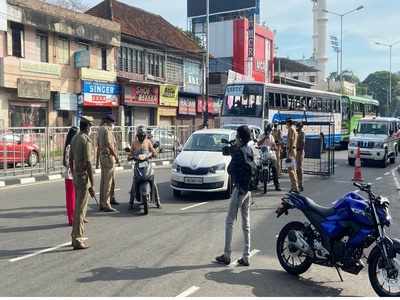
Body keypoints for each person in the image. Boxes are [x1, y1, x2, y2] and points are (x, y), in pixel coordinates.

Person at [216, 125, 255, 267]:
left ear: (240, 138)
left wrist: (234, 153)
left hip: (239, 190)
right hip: (248, 190)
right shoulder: (249, 149)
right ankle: (246, 256)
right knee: (246, 224)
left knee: (229, 221)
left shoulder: (238, 152)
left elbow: (229, 169)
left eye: (237, 137)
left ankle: (227, 255)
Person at [69, 116, 95, 250]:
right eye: (91, 127)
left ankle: (75, 236)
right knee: (80, 209)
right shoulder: (85, 140)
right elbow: (89, 163)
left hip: (76, 176)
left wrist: (73, 173)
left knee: (78, 208)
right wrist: (92, 183)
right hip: (84, 177)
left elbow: (70, 158)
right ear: (88, 127)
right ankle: (78, 238)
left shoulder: (75, 138)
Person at [129, 126, 161, 208]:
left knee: (153, 182)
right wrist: (130, 157)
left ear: (145, 135)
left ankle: (158, 202)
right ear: (137, 135)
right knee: (134, 182)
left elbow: (153, 152)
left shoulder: (148, 142)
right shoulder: (134, 143)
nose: (141, 137)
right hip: (138, 164)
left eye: (143, 135)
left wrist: (154, 153)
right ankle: (131, 202)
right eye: (140, 135)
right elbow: (130, 153)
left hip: (147, 164)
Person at [96, 114, 119, 213]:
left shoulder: (100, 129)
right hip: (108, 157)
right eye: (113, 123)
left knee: (103, 181)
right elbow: (110, 144)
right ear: (110, 122)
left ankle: (102, 203)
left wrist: (97, 161)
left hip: (102, 156)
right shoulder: (107, 130)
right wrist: (116, 156)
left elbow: (97, 145)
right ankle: (107, 204)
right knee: (108, 182)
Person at [257, 123, 281, 191]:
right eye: (268, 130)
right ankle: (255, 184)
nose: (269, 131)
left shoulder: (271, 137)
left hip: (270, 154)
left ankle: (277, 185)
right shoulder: (262, 135)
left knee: (274, 167)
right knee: (257, 167)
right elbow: (258, 143)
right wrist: (264, 138)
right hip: (262, 154)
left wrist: (275, 147)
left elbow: (273, 145)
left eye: (270, 130)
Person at [63, 126, 78, 226]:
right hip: (70, 175)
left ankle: (77, 217)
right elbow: (68, 162)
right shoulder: (69, 147)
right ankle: (71, 218)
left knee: (77, 198)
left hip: (76, 174)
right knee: (71, 199)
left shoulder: (75, 146)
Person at [286, 119, 299, 193]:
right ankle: (294, 186)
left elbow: (291, 140)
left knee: (290, 170)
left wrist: (289, 151)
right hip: (292, 151)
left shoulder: (291, 129)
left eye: (286, 123)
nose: (286, 124)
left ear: (289, 123)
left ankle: (295, 187)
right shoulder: (294, 129)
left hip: (290, 151)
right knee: (293, 170)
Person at [296, 122, 305, 192]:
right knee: (296, 169)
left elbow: (303, 143)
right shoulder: (296, 133)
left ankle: (300, 184)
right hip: (295, 152)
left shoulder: (302, 133)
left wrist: (301, 152)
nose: (297, 127)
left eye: (298, 126)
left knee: (299, 168)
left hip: (300, 152)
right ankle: (296, 184)